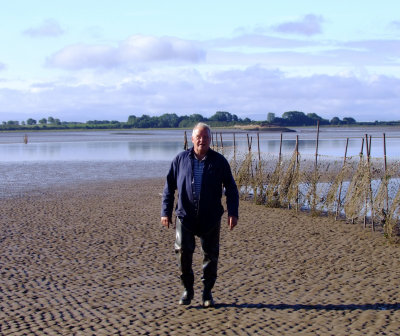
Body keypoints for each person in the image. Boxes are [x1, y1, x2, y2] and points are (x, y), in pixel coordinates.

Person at [161, 122, 239, 308]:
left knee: (211, 256)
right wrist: (165, 212)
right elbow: (168, 188)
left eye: (205, 137)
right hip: (185, 216)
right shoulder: (180, 159)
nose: (202, 140)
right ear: (192, 138)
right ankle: (187, 290)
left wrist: (233, 213)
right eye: (198, 137)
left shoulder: (219, 161)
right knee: (183, 254)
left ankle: (207, 293)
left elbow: (231, 188)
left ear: (210, 139)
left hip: (210, 218)